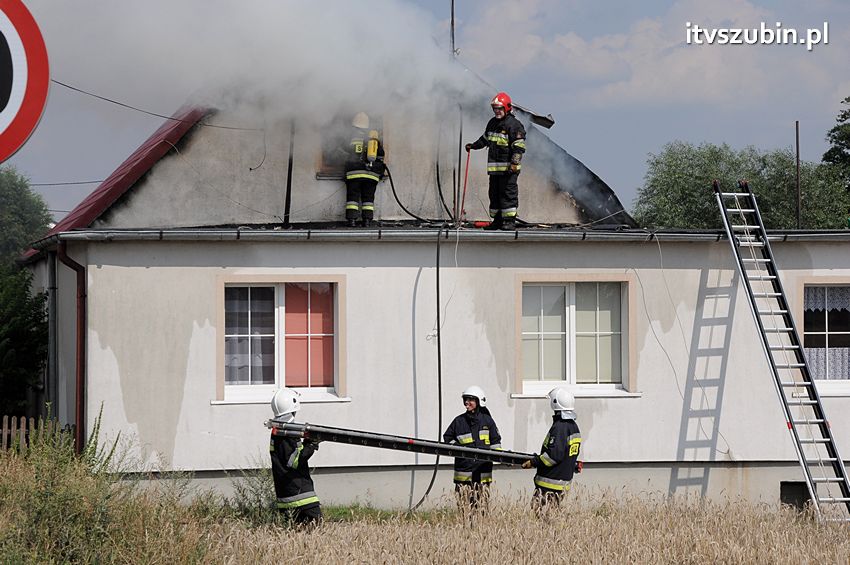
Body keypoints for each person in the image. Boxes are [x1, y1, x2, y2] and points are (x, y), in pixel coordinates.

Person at [466, 92, 526, 230]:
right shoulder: (492, 123)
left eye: (499, 108)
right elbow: (485, 139)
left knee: (508, 195)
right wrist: (473, 146)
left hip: (509, 170)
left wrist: (515, 163)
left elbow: (519, 147)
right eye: (495, 108)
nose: (497, 111)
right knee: (494, 195)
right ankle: (497, 221)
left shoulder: (514, 125)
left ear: (506, 108)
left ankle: (509, 222)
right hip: (495, 171)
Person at [522, 387, 582, 513]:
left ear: (555, 403)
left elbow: (553, 456)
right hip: (562, 482)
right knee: (552, 516)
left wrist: (534, 462)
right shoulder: (573, 426)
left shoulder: (559, 427)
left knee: (541, 515)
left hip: (549, 484)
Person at [443, 385, 503, 510]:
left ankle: (480, 529)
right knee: (464, 508)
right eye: (465, 399)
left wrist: (503, 458)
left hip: (482, 472)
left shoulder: (488, 421)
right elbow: (447, 438)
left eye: (470, 399)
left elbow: (496, 442)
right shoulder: (458, 421)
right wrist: (459, 448)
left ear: (478, 401)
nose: (466, 402)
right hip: (463, 473)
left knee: (481, 508)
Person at [269, 387, 322, 525]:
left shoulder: (279, 431)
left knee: (295, 536)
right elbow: (295, 460)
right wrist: (311, 444)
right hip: (301, 495)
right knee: (316, 532)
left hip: (286, 496)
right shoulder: (286, 433)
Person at [344, 112, 385, 227]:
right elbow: (381, 156)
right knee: (368, 199)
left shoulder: (351, 138)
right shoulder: (374, 140)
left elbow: (345, 153)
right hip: (371, 175)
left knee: (352, 198)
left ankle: (352, 221)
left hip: (354, 174)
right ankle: (366, 221)